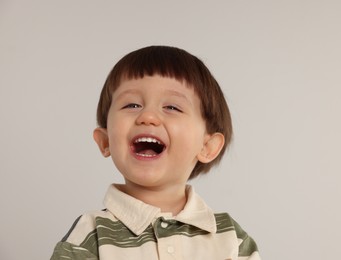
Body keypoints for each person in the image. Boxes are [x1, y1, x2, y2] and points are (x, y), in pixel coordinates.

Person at [50, 45, 261, 259]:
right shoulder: (90, 235)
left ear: (207, 147)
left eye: (172, 107)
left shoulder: (230, 238)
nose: (148, 116)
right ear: (105, 141)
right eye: (132, 105)